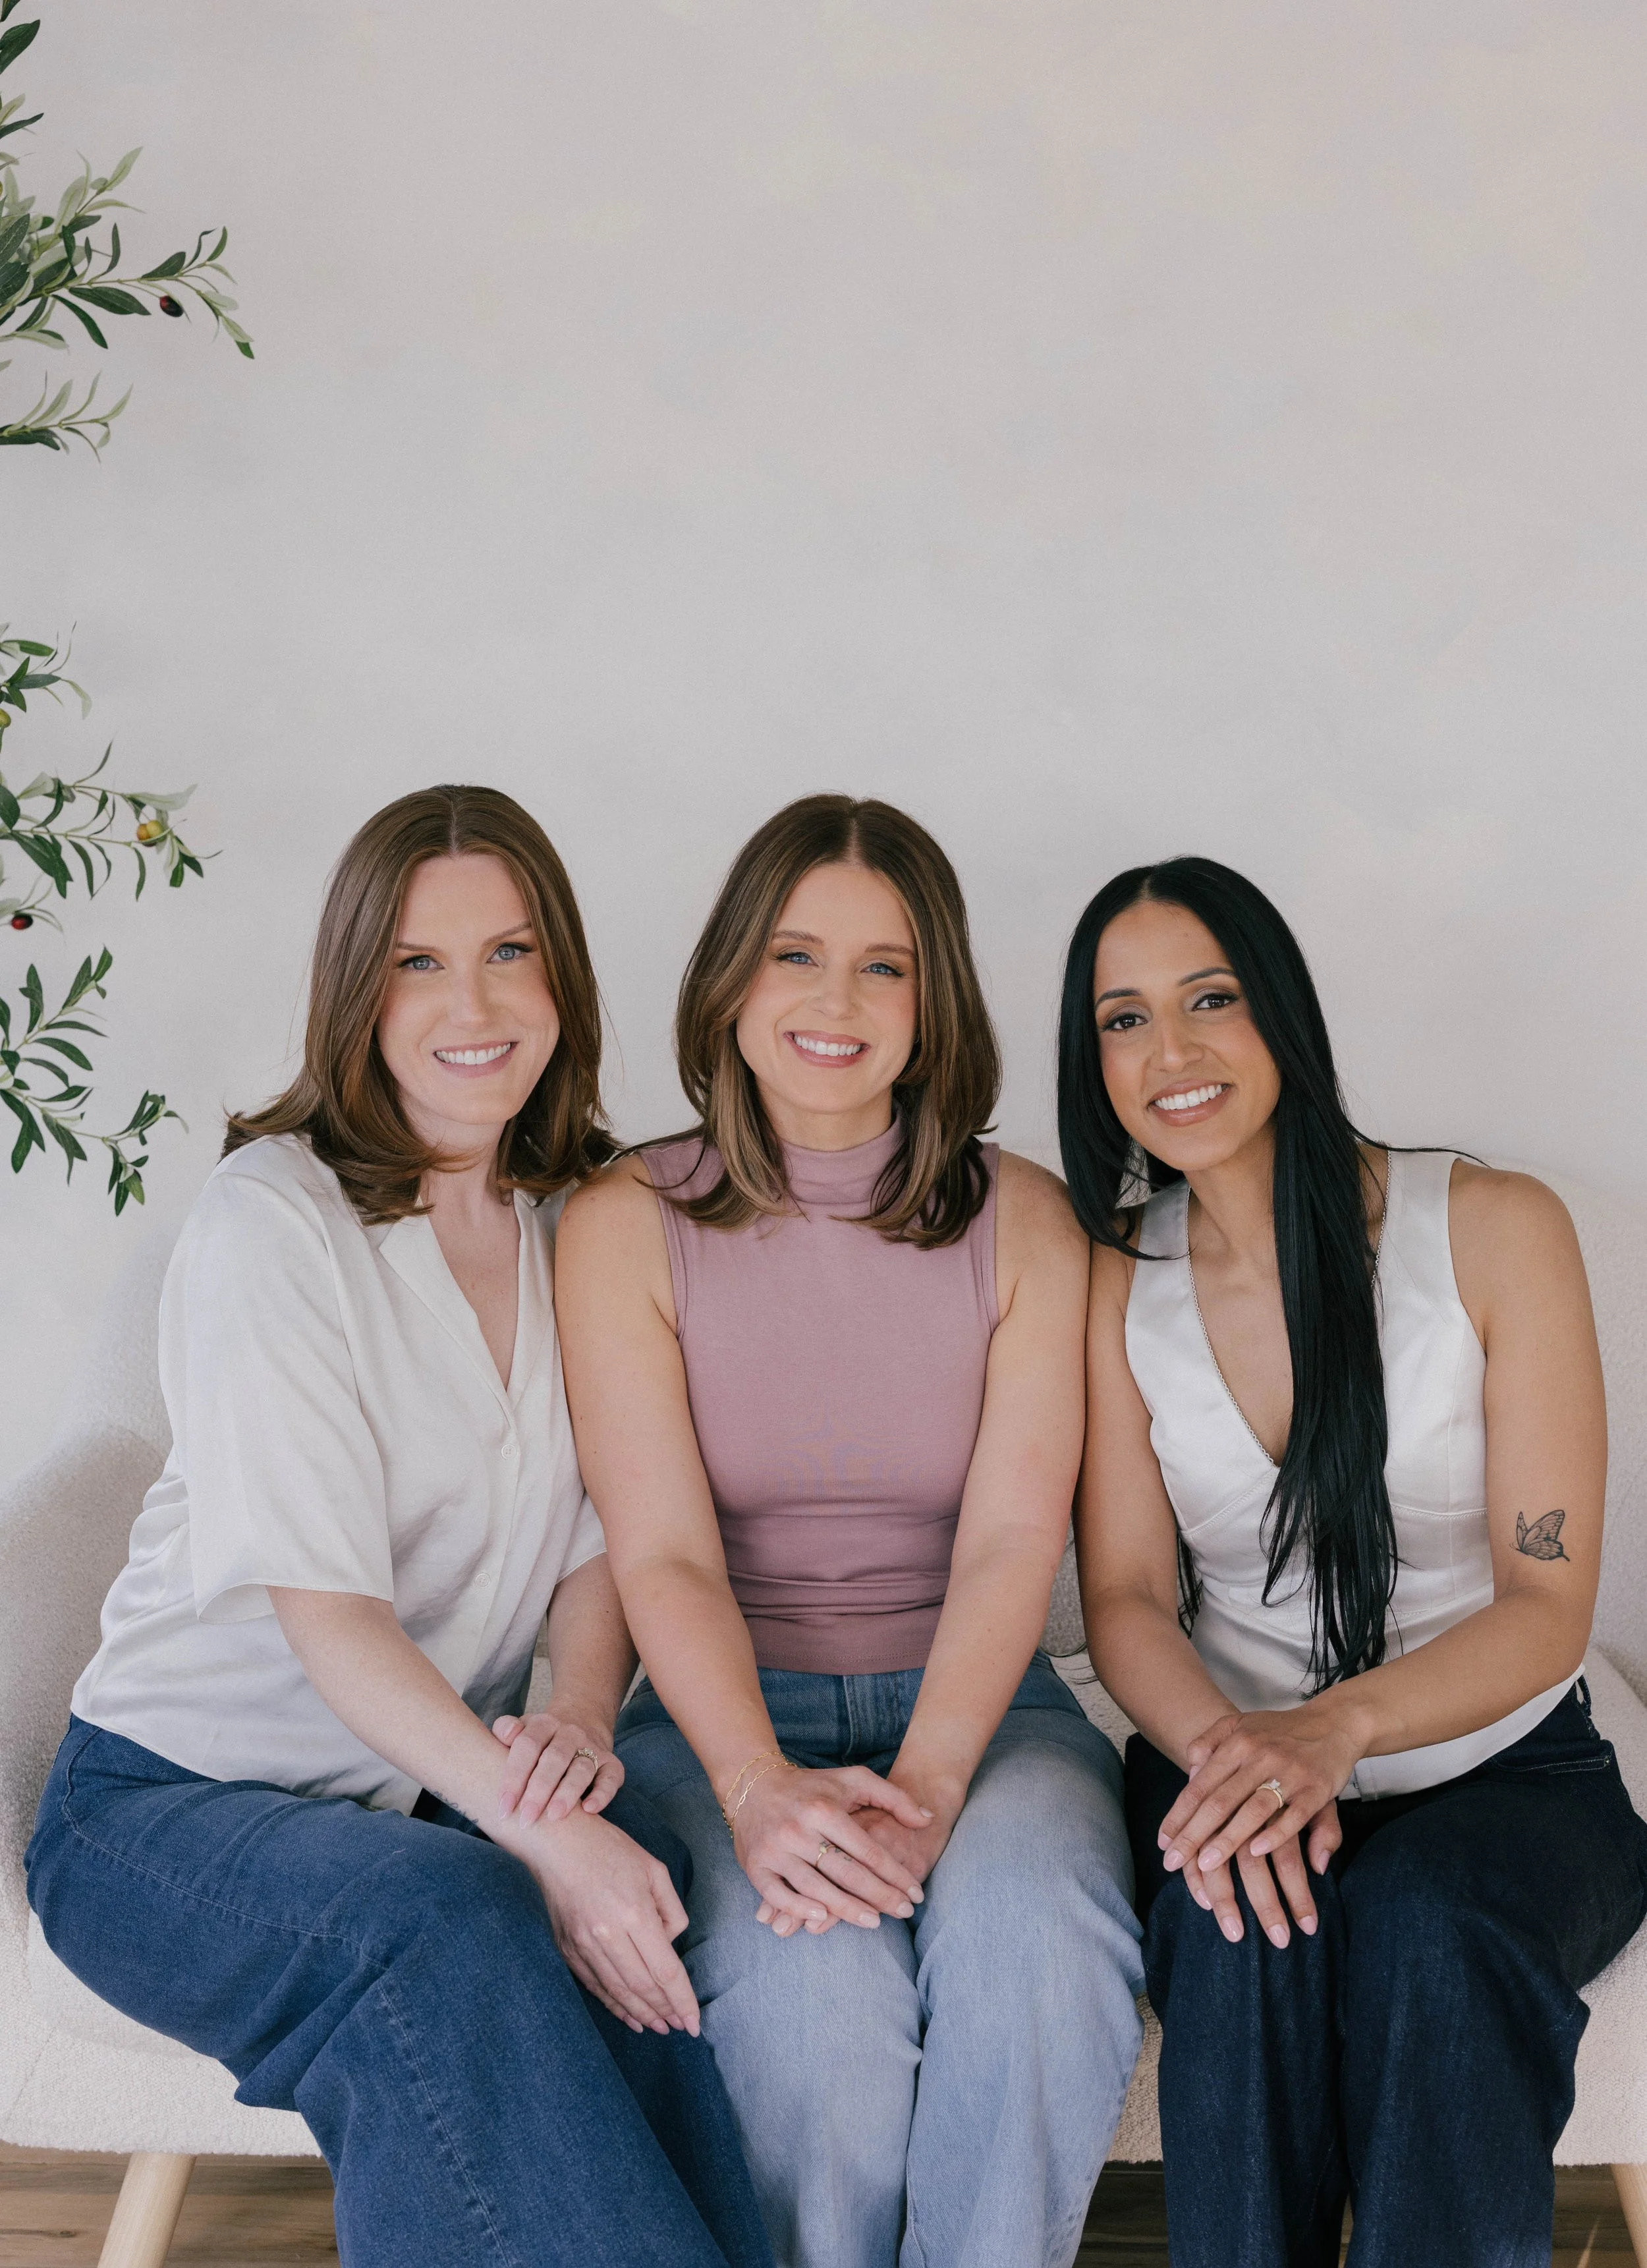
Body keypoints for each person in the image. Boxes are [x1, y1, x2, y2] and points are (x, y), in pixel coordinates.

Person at [26, 785, 771, 2268]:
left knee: (650, 1896)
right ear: (354, 990)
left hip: (425, 1782)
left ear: (561, 974)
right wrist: (534, 1829)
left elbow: (595, 1535)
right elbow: (328, 1613)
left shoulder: (584, 1217)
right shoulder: (271, 1225)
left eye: (510, 952)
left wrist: (568, 1715)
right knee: (450, 1917)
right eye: (419, 963)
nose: (474, 1002)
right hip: (168, 1813)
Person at [555, 793, 1145, 2268]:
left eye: (883, 965)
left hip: (987, 1708)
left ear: (933, 998)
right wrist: (757, 1787)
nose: (835, 1001)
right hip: (715, 1718)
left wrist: (933, 1781)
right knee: (814, 2010)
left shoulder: (1030, 1217)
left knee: (1039, 1950)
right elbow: (663, 1552)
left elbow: (1017, 1534)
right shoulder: (625, 1216)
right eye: (795, 954)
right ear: (728, 981)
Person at [1057, 853, 1647, 2268]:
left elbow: (1546, 1596)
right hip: (1221, 1761)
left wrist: (1330, 1734)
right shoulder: (1110, 1279)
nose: (1169, 1050)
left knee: (1425, 1923)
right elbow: (1127, 1596)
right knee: (1242, 1926)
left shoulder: (1496, 1228)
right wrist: (1235, 1766)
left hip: (1506, 1775)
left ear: (1282, 1011)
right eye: (1122, 1018)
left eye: (1208, 997)